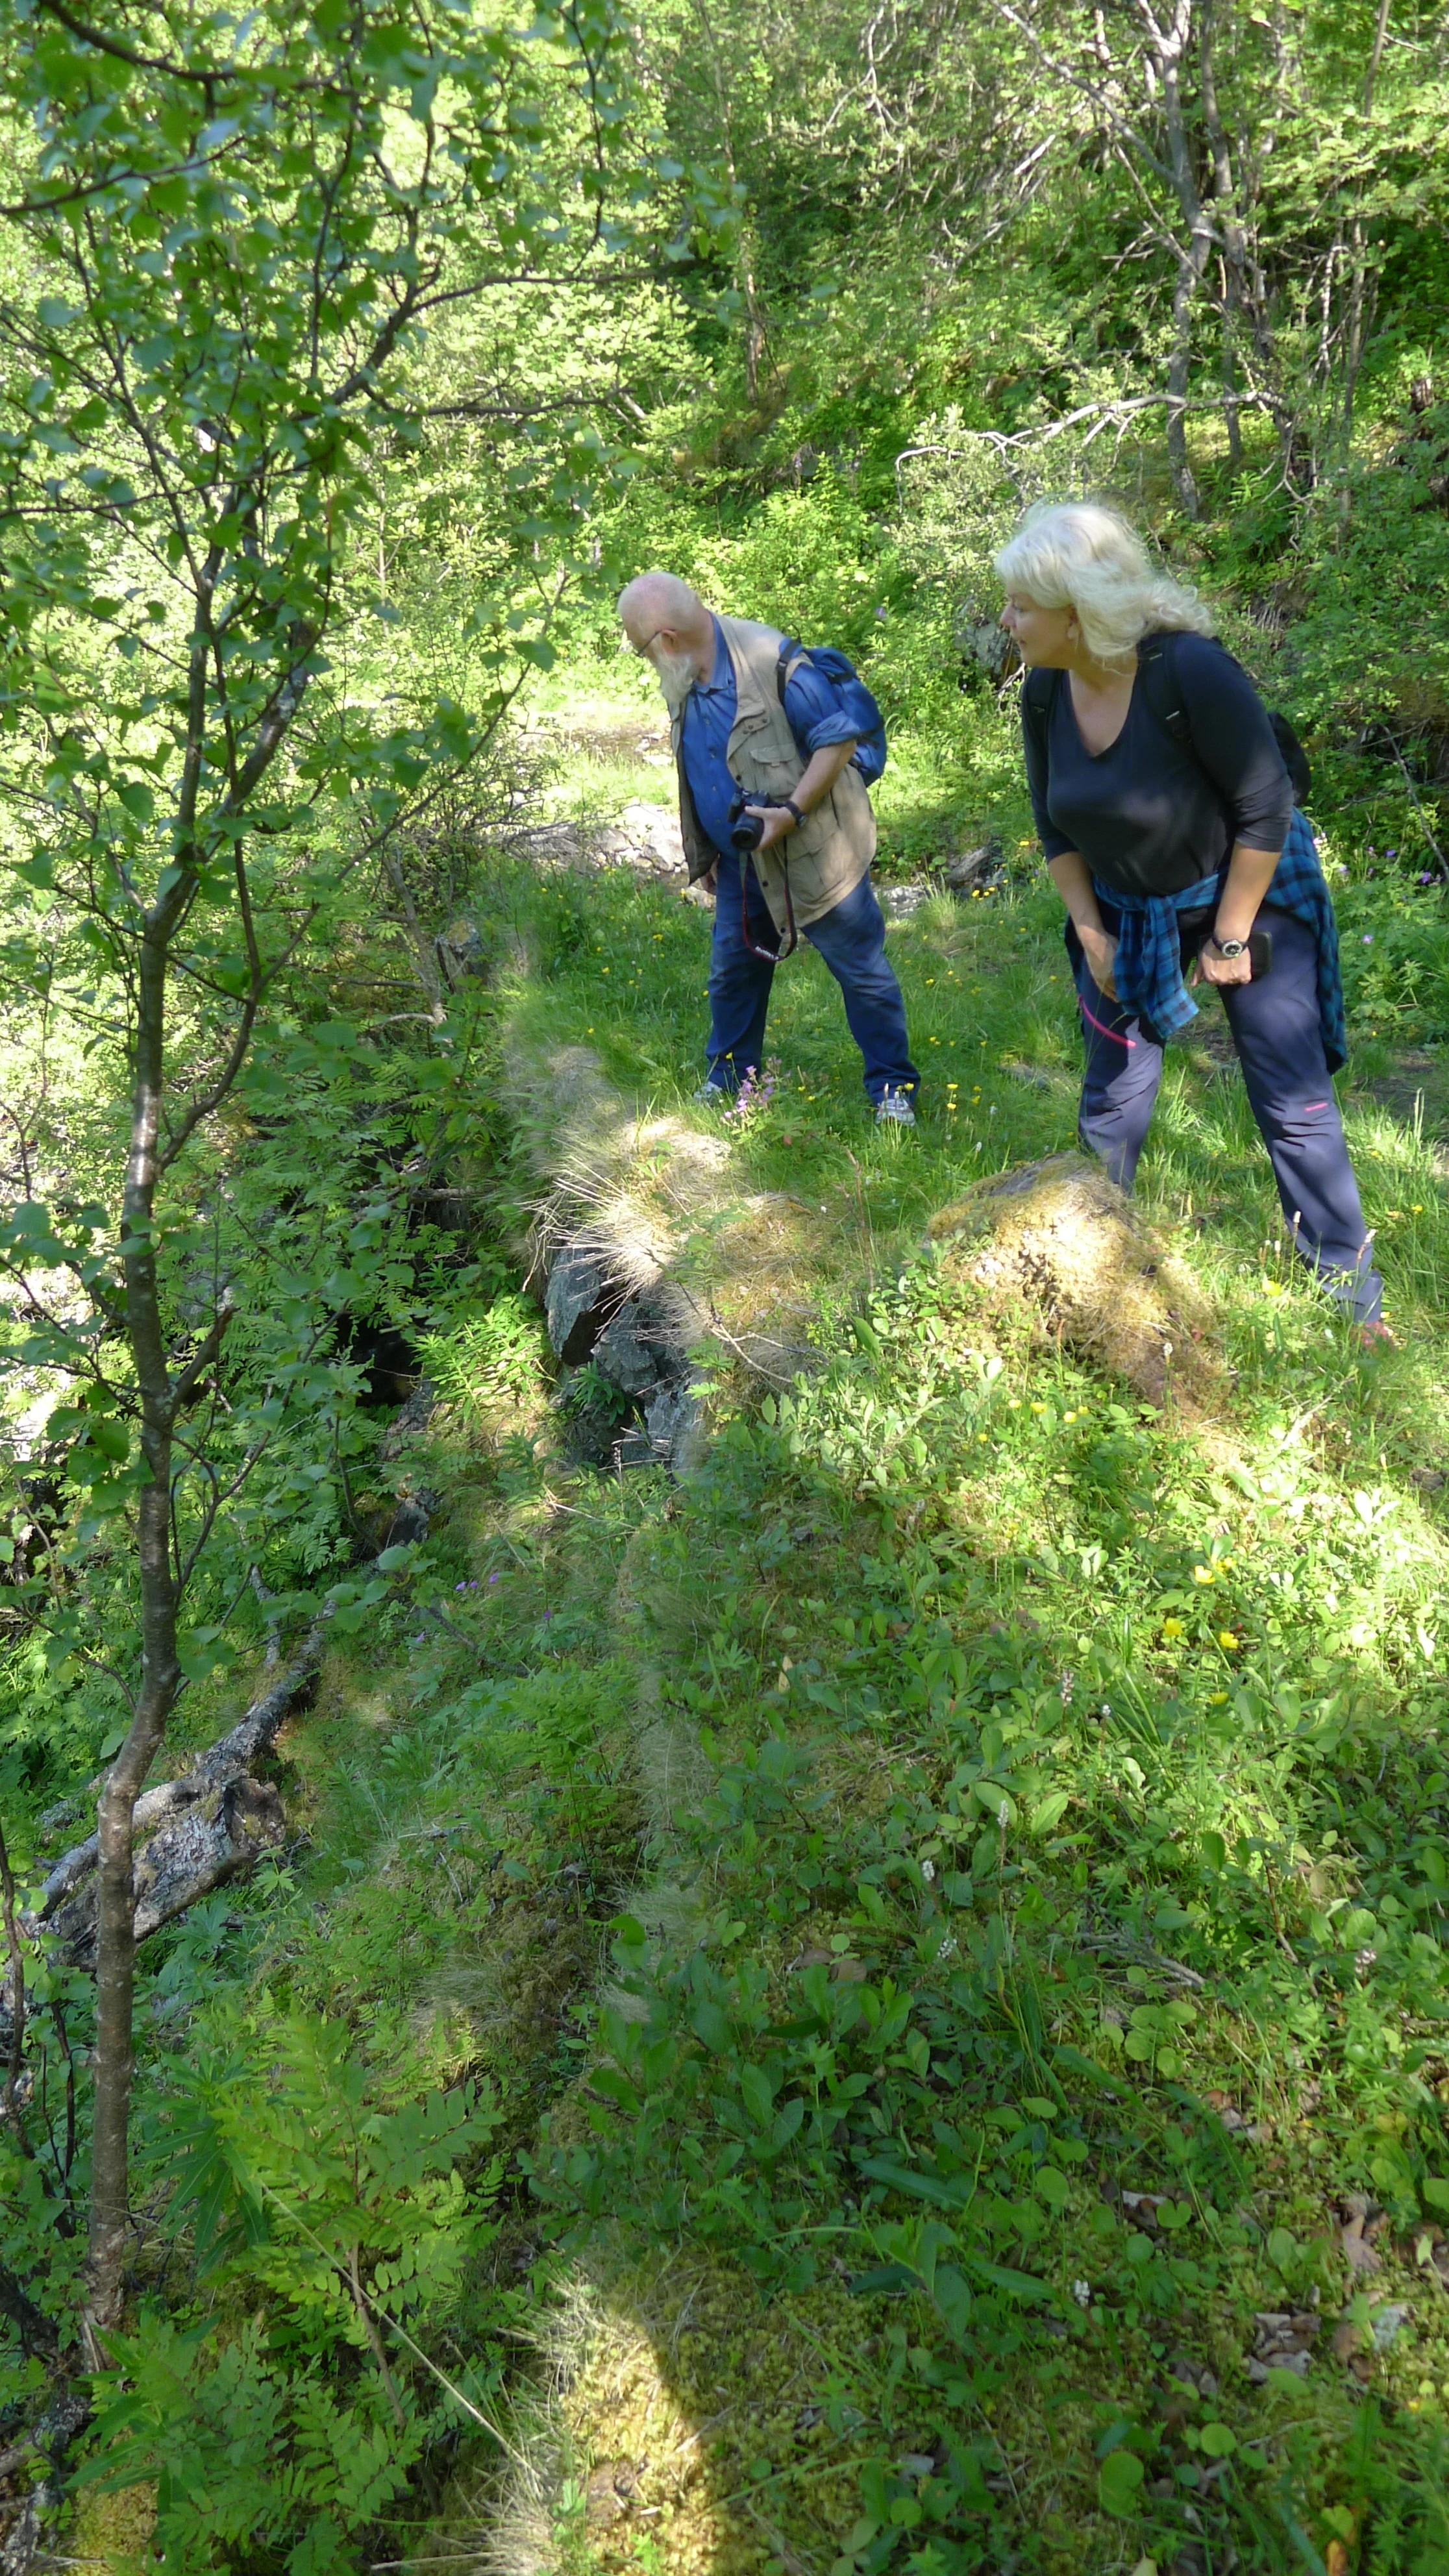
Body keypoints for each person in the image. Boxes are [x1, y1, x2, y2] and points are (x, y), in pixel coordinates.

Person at [995, 500, 1386, 1336]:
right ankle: (1089, 1266)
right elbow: (1055, 823)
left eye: (1021, 605)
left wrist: (1233, 934)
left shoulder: (1189, 673)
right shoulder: (1043, 692)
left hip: (1249, 885)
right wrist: (1092, 931)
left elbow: (1266, 806)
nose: (1008, 620)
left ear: (1077, 609)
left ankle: (1352, 1299)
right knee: (1114, 1095)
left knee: (1290, 1093)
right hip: (1127, 911)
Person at [617, 571, 920, 1125]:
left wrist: (791, 813)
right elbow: (704, 759)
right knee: (734, 972)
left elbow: (839, 738)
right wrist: (709, 847)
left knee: (862, 971)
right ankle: (731, 1079)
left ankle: (893, 1091)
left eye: (641, 649)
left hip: (815, 854)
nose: (645, 661)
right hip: (739, 861)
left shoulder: (771, 658)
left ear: (666, 639)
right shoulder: (685, 672)